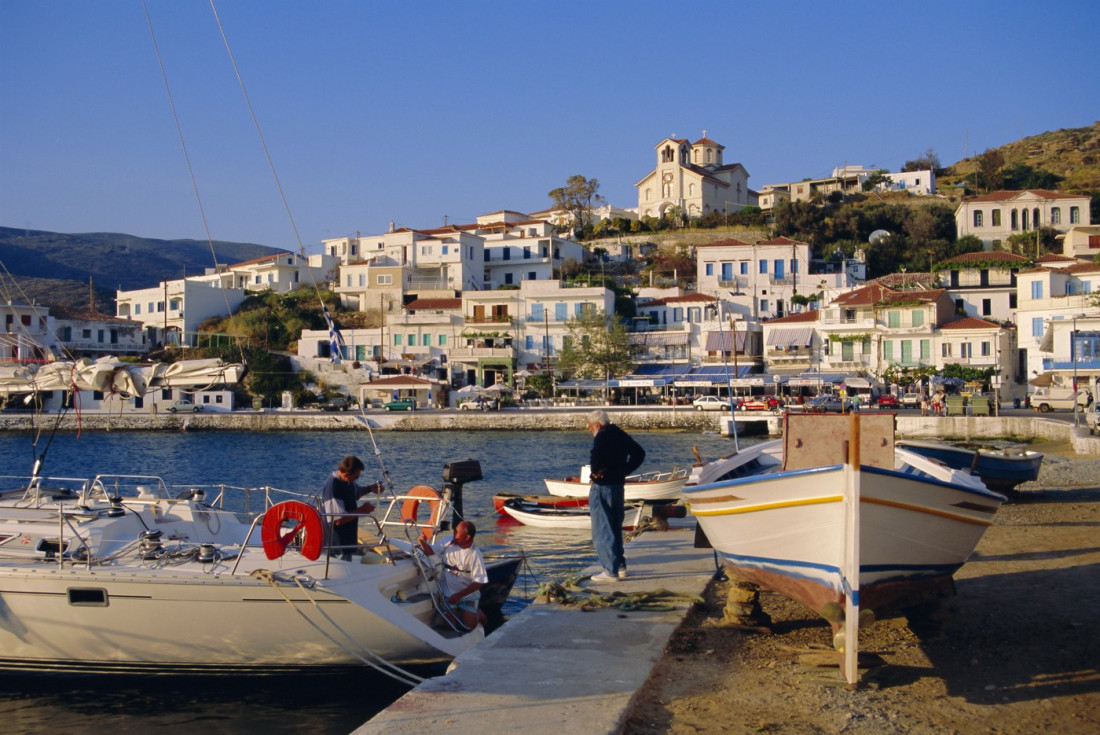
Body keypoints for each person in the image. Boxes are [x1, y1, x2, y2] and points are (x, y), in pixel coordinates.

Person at [585, 409, 646, 583]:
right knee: (615, 526)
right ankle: (620, 567)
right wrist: (624, 471)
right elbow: (639, 453)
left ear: (597, 424)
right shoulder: (618, 432)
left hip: (602, 487)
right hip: (618, 485)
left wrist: (595, 471)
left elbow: (595, 458)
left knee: (603, 529)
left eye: (589, 426)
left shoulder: (601, 435)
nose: (589, 429)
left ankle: (610, 571)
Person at [417, 520, 488, 630]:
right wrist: (423, 543)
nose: (453, 534)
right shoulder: (448, 541)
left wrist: (459, 595)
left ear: (467, 537)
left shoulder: (475, 554)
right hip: (448, 593)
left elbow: (479, 582)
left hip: (467, 595)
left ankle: (478, 614)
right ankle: (458, 612)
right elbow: (430, 552)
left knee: (469, 626)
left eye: (457, 532)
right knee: (451, 626)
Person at [319, 455, 383, 561]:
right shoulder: (333, 488)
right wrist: (362, 510)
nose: (355, 480)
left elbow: (355, 492)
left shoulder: (347, 482)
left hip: (347, 543)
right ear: (346, 474)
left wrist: (370, 488)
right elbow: (338, 520)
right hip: (336, 547)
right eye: (355, 477)